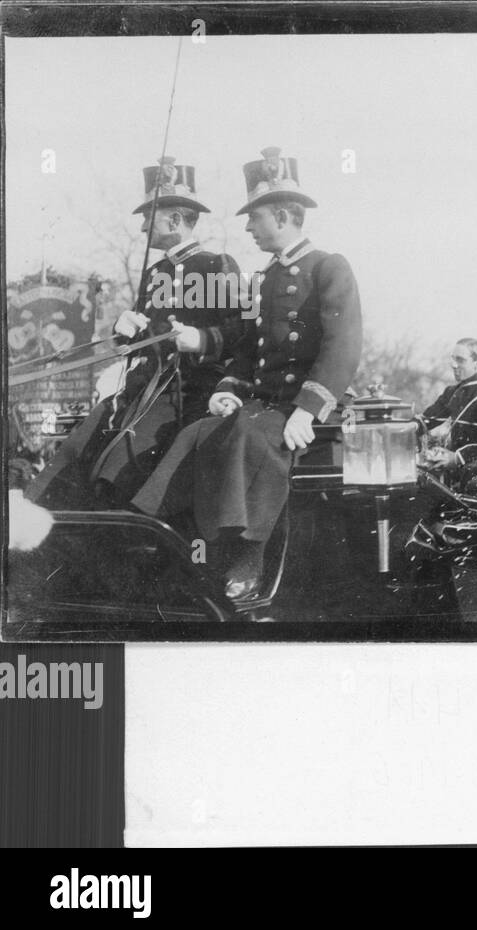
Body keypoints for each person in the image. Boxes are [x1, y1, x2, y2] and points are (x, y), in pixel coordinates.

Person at [132, 147, 362, 601]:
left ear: (282, 216)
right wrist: (225, 389)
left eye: (253, 218)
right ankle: (162, 535)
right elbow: (245, 350)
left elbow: (343, 347)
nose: (248, 228)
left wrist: (307, 410)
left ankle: (249, 553)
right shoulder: (262, 280)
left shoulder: (328, 267)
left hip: (299, 405)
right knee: (197, 433)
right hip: (261, 403)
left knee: (246, 437)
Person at [27, 157, 243, 509]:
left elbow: (240, 331)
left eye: (148, 217)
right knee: (76, 448)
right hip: (139, 390)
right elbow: (142, 334)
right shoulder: (155, 271)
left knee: (119, 465)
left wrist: (199, 340)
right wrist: (123, 329)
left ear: (174, 220)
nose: (143, 228)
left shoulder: (217, 265)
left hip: (183, 394)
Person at [420, 338, 477, 473]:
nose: (454, 365)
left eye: (460, 360)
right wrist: (411, 426)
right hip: (452, 464)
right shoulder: (452, 392)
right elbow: (427, 419)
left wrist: (458, 457)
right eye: (453, 359)